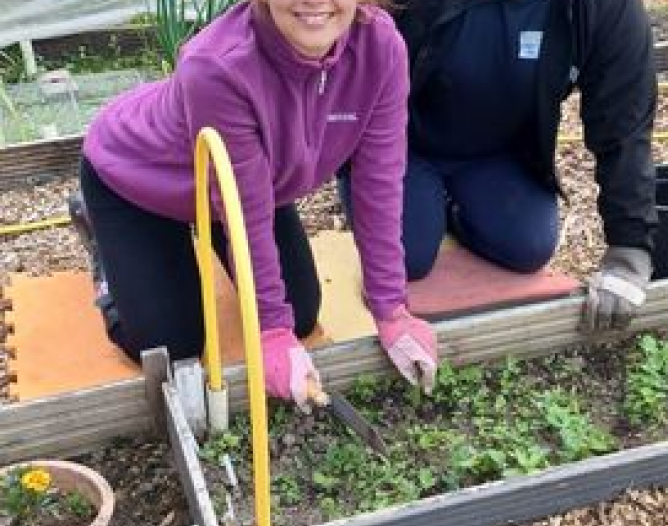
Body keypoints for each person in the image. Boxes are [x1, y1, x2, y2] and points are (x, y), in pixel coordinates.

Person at [69, 0, 439, 410]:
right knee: (171, 346)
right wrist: (269, 332)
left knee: (298, 315)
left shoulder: (380, 45)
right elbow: (243, 211)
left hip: (255, 183)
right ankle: (104, 252)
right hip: (142, 179)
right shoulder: (217, 65)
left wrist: (391, 310)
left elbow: (380, 183)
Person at [340, 0, 658, 333]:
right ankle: (422, 203)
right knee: (407, 257)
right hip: (401, 147)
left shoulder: (601, 10)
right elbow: (350, 62)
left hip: (498, 150)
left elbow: (625, 126)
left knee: (528, 246)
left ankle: (450, 207)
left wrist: (629, 249)